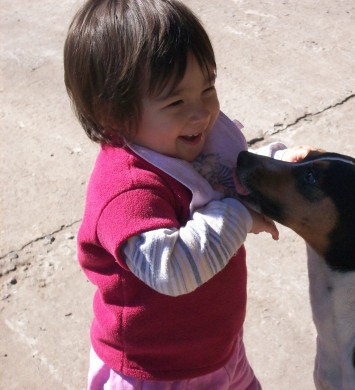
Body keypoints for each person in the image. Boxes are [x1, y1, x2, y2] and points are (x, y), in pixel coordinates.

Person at [64, 1, 313, 388]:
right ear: (113, 114)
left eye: (208, 88)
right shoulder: (127, 190)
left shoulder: (185, 140)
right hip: (156, 373)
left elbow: (229, 168)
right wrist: (239, 215)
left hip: (220, 352)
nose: (202, 113)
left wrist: (278, 164)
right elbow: (172, 269)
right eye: (176, 102)